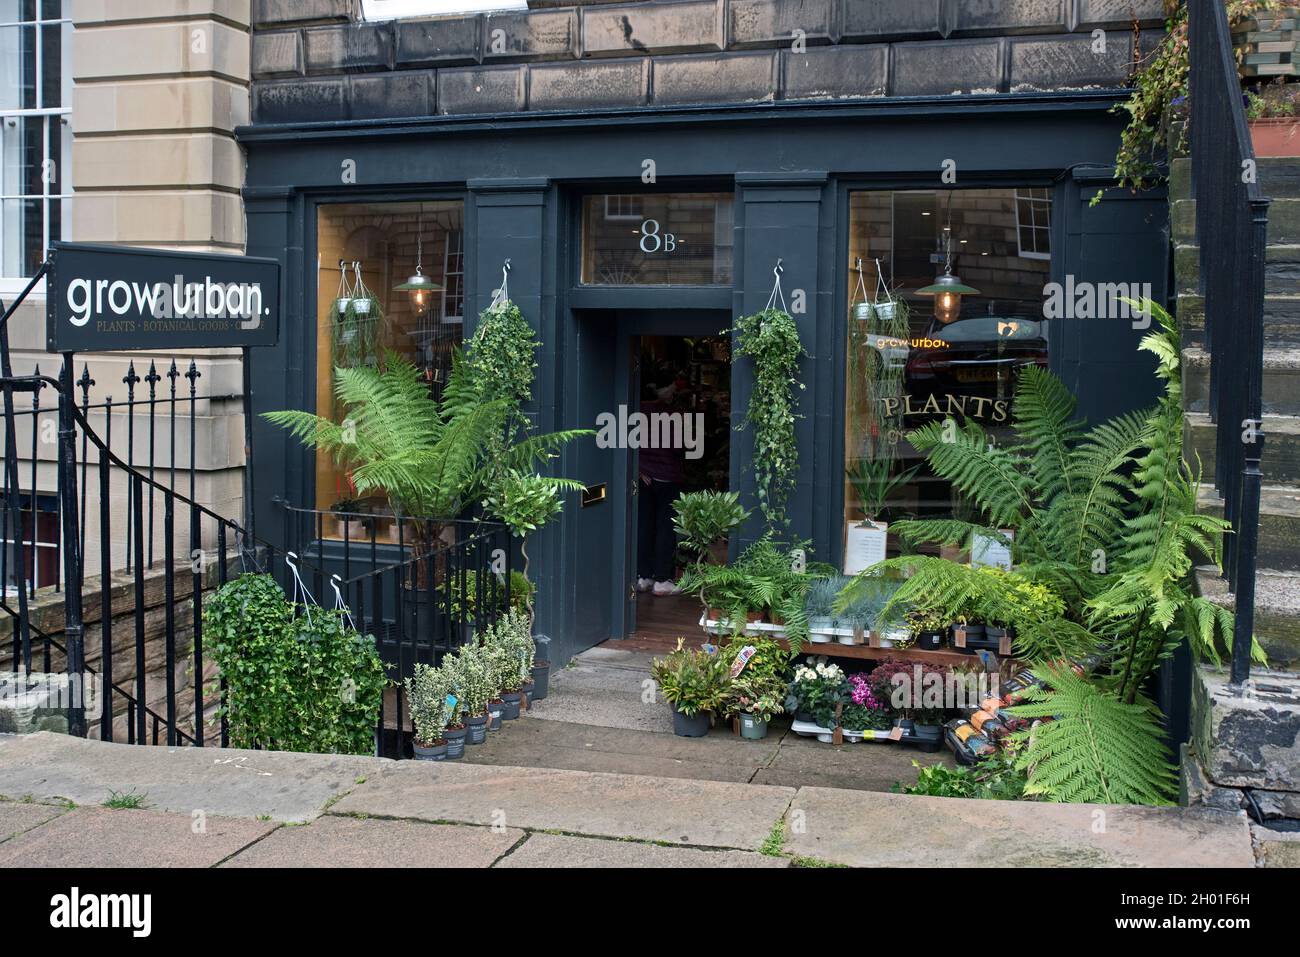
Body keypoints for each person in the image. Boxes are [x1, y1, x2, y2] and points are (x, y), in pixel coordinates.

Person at [636, 378, 686, 596]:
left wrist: (637, 468)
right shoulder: (672, 414)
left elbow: (625, 441)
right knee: (666, 528)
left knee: (644, 526)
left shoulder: (637, 410)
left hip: (644, 477)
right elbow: (680, 446)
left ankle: (643, 576)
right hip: (667, 476)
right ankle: (663, 580)